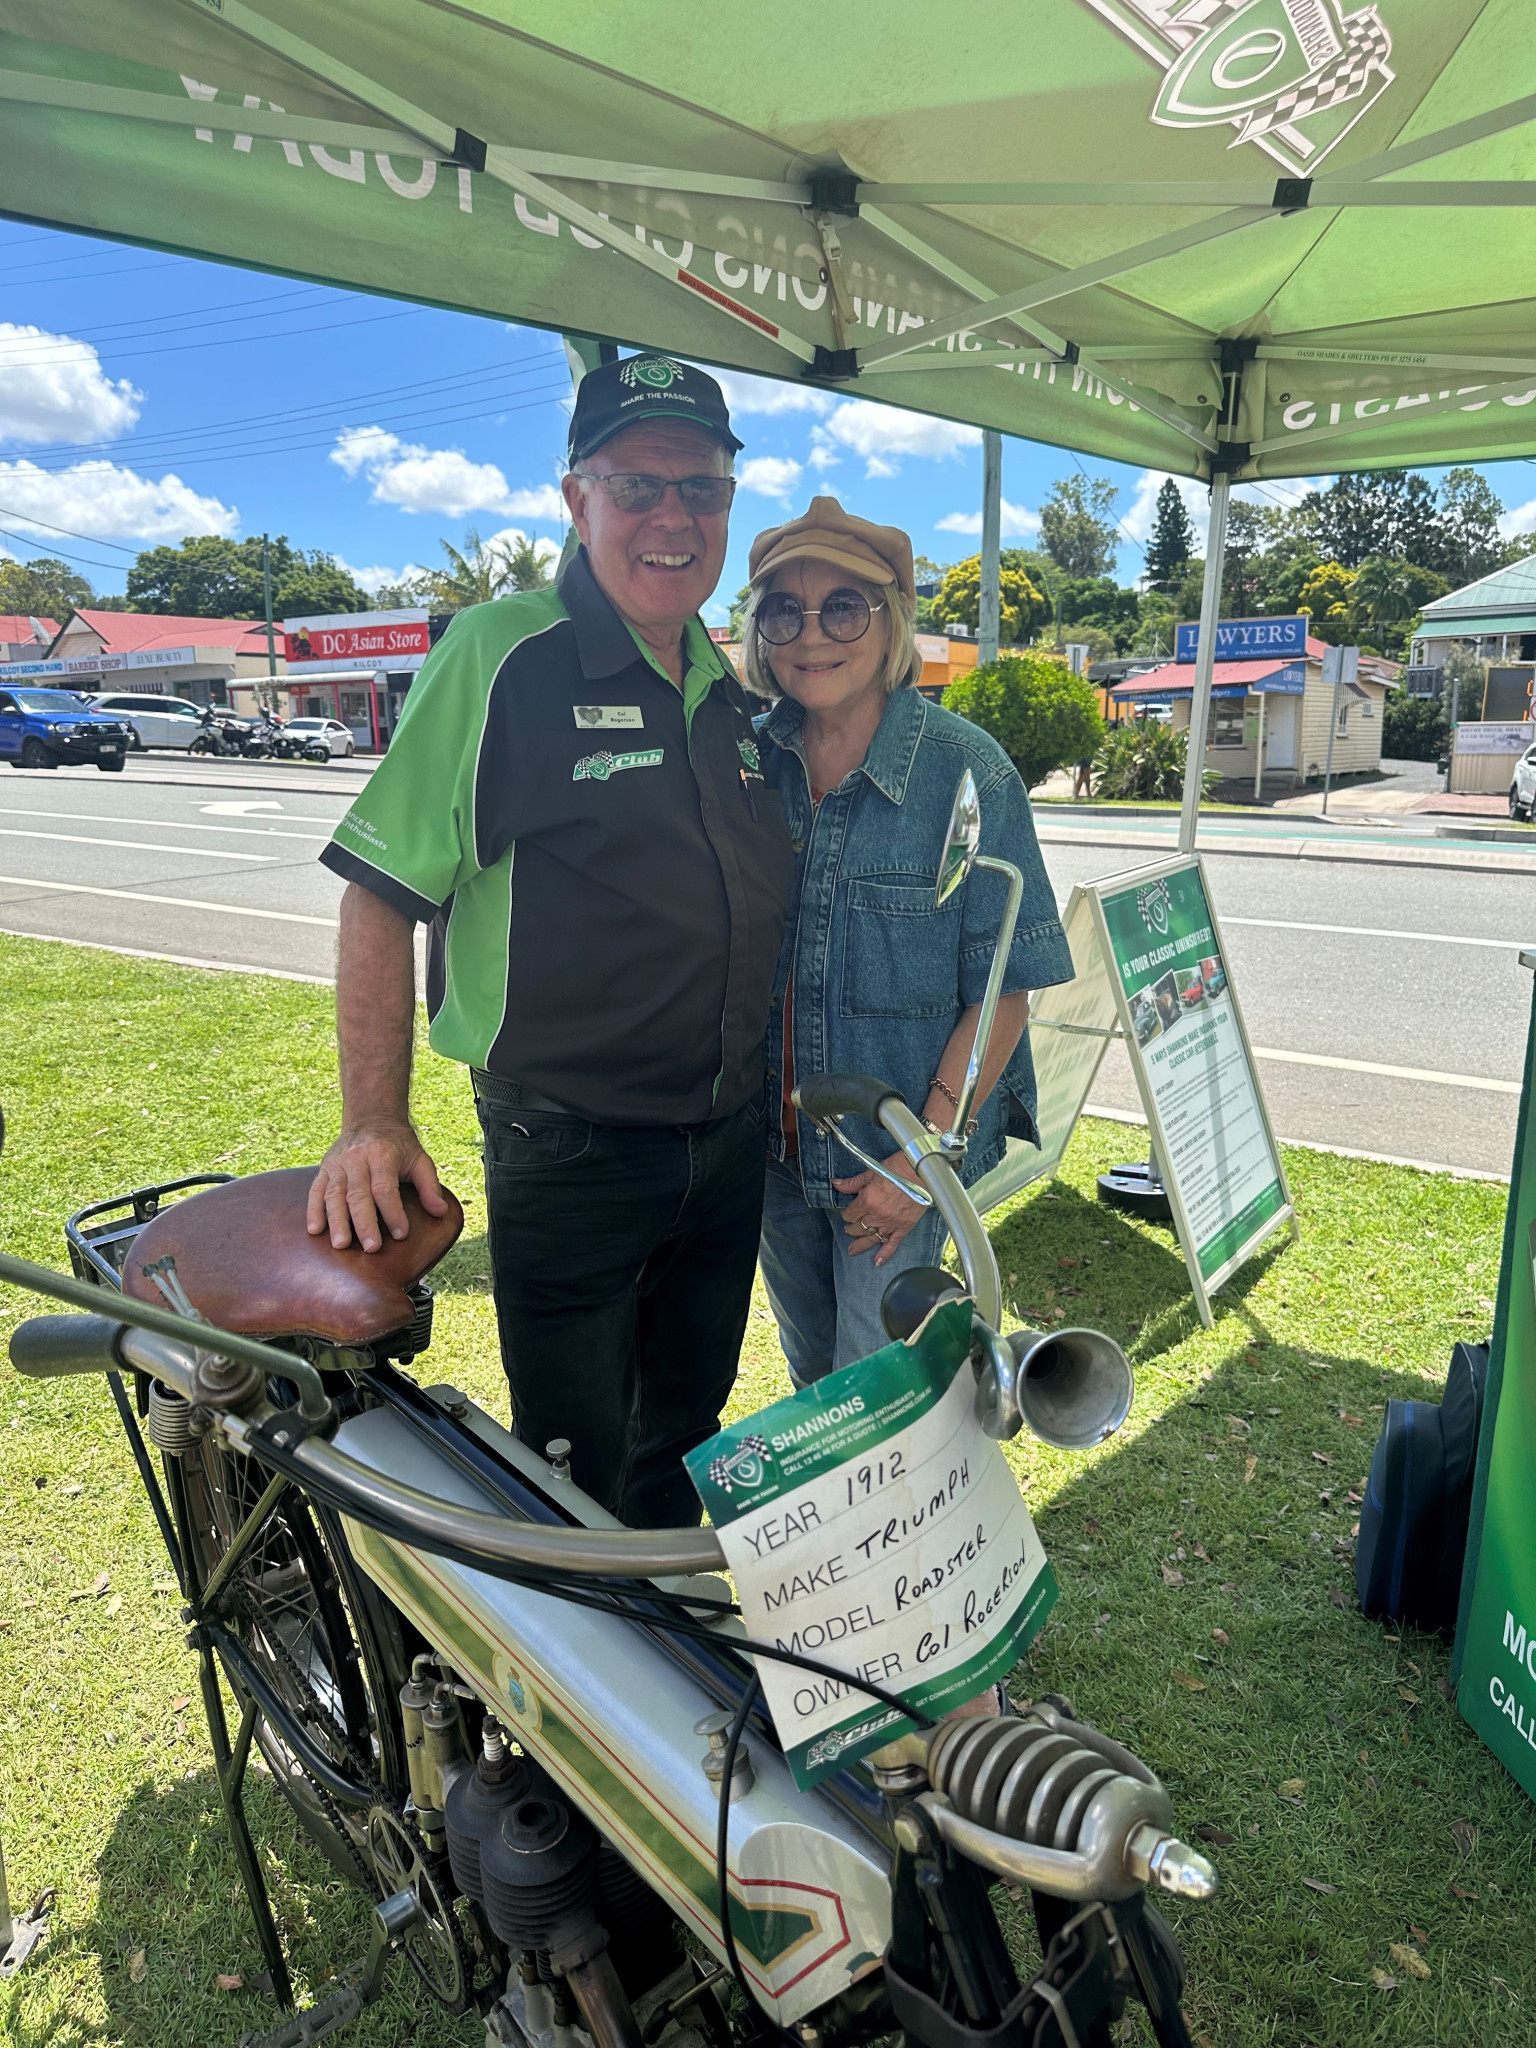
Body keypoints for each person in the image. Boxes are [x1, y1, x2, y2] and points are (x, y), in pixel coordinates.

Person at [307, 355, 795, 1526]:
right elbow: (381, 892)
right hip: (575, 1152)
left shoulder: (724, 688)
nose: (674, 517)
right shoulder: (503, 653)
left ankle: (671, 1686)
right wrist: (372, 1119)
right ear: (577, 500)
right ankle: (566, 1698)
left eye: (704, 489)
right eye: (639, 484)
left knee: (685, 1437)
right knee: (572, 1473)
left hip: (724, 1152)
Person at [749, 497, 1073, 1385]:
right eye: (786, 609)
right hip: (771, 1158)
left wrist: (919, 1162)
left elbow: (1004, 990)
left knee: (885, 1399)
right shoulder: (749, 760)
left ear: (893, 620)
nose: (813, 634)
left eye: (844, 606)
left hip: (889, 1165)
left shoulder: (966, 771)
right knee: (816, 1388)